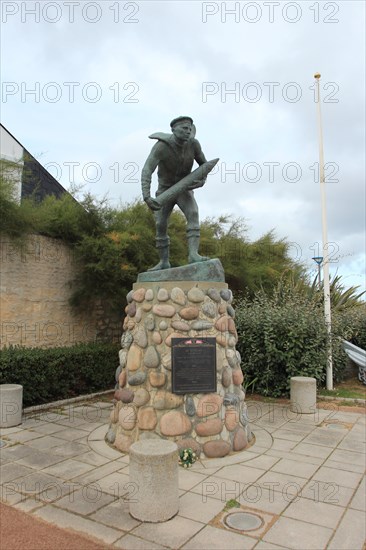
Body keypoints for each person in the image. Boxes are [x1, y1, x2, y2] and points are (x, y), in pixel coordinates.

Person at [141, 116, 209, 271]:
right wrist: (147, 195)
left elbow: (204, 165)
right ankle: (163, 261)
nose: (188, 131)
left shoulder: (194, 144)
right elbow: (147, 169)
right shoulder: (161, 147)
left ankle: (193, 255)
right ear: (173, 129)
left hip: (184, 190)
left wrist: (202, 179)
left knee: (193, 213)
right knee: (160, 224)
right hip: (165, 190)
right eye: (184, 128)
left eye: (190, 129)